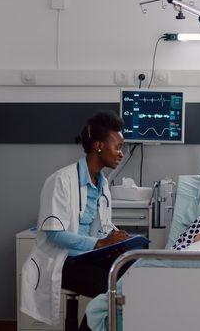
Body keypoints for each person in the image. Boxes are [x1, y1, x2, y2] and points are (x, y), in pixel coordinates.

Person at [21, 110, 130, 329]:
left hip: (88, 256)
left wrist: (118, 239)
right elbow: (54, 233)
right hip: (63, 261)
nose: (121, 153)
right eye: (118, 146)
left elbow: (102, 225)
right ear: (99, 146)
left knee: (133, 270)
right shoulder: (61, 180)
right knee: (111, 289)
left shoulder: (102, 183)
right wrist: (99, 243)